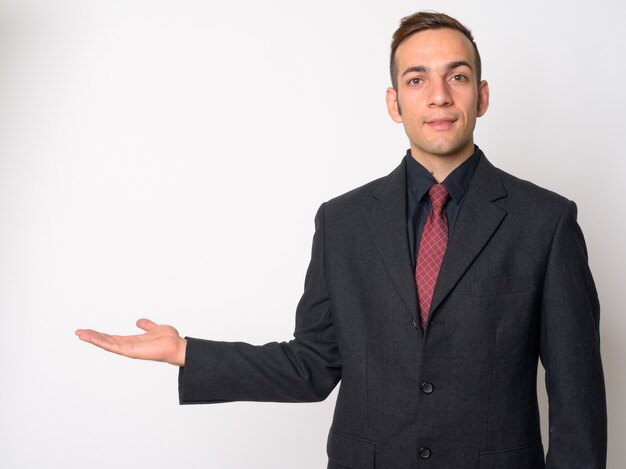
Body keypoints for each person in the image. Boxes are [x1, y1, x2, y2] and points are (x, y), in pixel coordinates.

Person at [76, 11, 607, 469]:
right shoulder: (342, 222)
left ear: (482, 95)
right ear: (394, 102)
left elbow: (577, 398)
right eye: (417, 79)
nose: (440, 96)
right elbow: (313, 364)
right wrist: (187, 352)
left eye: (458, 76)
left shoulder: (546, 222)